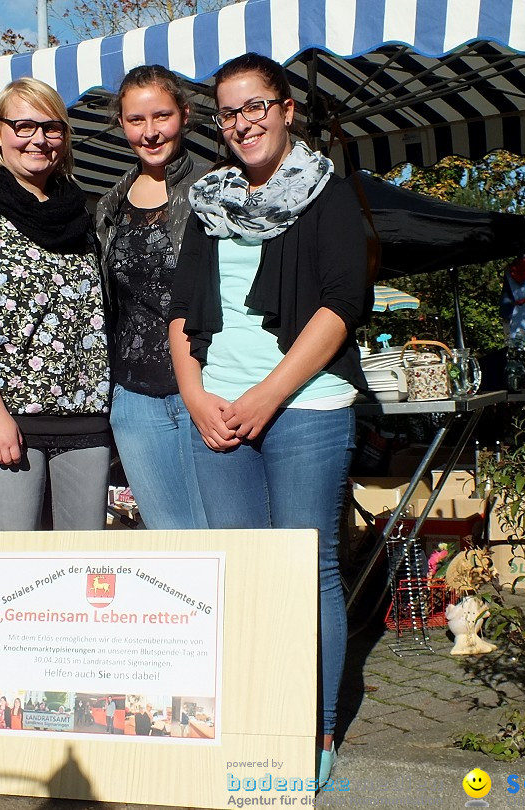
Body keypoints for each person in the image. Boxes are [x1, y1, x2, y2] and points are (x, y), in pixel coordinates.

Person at [168, 53, 371, 790]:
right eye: (229, 111)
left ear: (285, 109)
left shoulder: (328, 193)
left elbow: (340, 306)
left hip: (305, 406)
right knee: (241, 575)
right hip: (216, 407)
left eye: (257, 106)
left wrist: (267, 396)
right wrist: (195, 395)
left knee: (305, 570)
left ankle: (313, 729)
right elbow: (182, 311)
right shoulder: (209, 200)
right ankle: (257, 719)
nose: (244, 121)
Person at [0, 77, 111, 531]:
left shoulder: (81, 215)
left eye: (51, 127)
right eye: (24, 125)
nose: (39, 139)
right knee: (10, 576)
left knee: (82, 575)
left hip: (82, 419)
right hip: (0, 418)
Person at [95, 65, 208, 530]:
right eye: (136, 120)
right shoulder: (108, 206)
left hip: (207, 384)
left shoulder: (213, 188)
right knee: (169, 534)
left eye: (161, 116)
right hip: (134, 396)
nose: (150, 132)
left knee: (217, 531)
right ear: (121, 124)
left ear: (183, 114)